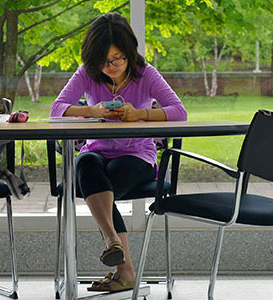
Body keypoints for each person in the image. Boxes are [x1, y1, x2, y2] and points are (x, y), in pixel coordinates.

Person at [50, 12, 187, 292]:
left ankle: (122, 266)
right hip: (98, 154)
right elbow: (56, 110)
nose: (110, 67)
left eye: (117, 59)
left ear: (129, 52)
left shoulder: (145, 73)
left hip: (137, 156)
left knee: (102, 183)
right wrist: (92, 110)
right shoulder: (87, 73)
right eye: (103, 61)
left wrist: (140, 114)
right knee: (86, 161)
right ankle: (117, 253)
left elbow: (179, 112)